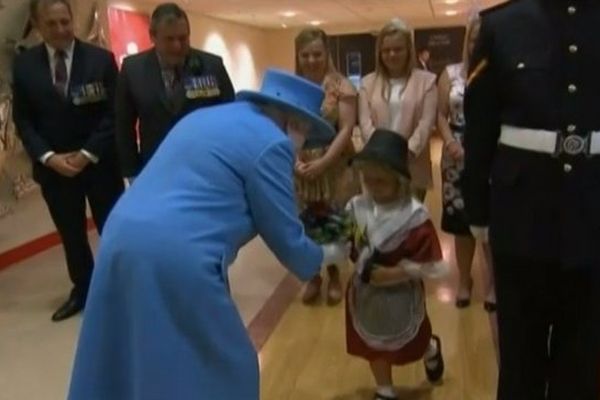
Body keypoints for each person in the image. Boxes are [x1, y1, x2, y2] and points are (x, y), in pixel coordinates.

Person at [67, 69, 346, 399]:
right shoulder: (271, 143)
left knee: (133, 351)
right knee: (227, 365)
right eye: (305, 131)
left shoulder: (205, 117)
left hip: (119, 235)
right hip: (178, 255)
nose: (301, 144)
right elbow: (285, 236)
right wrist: (332, 252)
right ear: (293, 122)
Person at [463, 1, 600, 399]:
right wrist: (478, 210)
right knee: (520, 361)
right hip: (521, 217)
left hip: (593, 216)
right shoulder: (503, 25)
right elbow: (480, 127)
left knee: (581, 363)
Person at [11, 0, 123, 321]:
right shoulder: (25, 66)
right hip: (55, 170)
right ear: (37, 24)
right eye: (52, 24)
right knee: (71, 234)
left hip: (100, 165)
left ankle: (122, 287)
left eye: (65, 21)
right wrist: (48, 157)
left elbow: (113, 114)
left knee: (113, 229)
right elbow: (24, 120)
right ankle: (84, 290)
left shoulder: (101, 60)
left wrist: (87, 154)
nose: (61, 30)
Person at [343, 129, 447, 400]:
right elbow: (347, 241)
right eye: (369, 180)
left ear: (399, 182)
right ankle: (384, 389)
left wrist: (396, 273)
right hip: (365, 292)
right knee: (371, 343)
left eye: (382, 181)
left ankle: (429, 348)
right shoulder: (356, 207)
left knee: (413, 339)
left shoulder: (413, 217)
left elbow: (431, 264)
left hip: (401, 291)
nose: (374, 187)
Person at [115, 2, 235, 181]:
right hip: (155, 169)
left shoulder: (212, 66)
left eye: (183, 38)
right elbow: (124, 125)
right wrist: (132, 173)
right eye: (169, 39)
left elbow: (230, 117)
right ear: (153, 36)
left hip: (206, 168)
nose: (178, 46)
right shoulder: (133, 70)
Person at [293, 27, 358, 305]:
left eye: (317, 53)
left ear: (327, 53)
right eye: (305, 55)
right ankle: (312, 276)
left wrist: (323, 162)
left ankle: (333, 276)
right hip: (300, 164)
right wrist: (294, 159)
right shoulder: (291, 86)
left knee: (331, 221)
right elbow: (285, 127)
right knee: (304, 223)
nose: (311, 60)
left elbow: (345, 129)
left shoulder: (342, 86)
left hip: (334, 162)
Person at [436, 15, 495, 311]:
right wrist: (450, 143)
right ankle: (464, 280)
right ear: (466, 40)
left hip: (492, 153)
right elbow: (440, 115)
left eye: (483, 38)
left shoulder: (499, 71)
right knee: (462, 223)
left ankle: (493, 285)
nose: (477, 43)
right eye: (473, 38)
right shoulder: (451, 73)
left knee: (491, 221)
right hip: (456, 153)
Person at [359, 18, 437, 202]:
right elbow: (365, 123)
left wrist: (404, 154)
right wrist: (381, 155)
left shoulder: (427, 81)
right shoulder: (367, 83)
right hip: (376, 167)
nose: (392, 54)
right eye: (386, 50)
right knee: (377, 225)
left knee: (410, 226)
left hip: (412, 165)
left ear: (409, 50)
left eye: (398, 49)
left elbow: (425, 125)